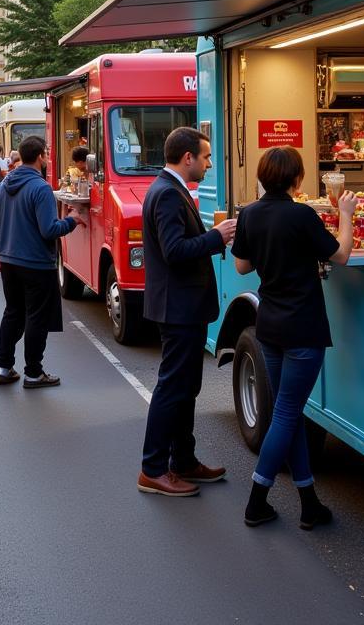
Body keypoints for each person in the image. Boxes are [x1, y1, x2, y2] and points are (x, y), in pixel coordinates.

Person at [232, 146, 355, 529]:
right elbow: (342, 255)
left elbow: (241, 266)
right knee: (286, 413)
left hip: (269, 325)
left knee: (292, 412)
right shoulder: (302, 215)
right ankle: (256, 499)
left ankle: (309, 503)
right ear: (296, 180)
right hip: (303, 327)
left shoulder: (249, 214)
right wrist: (346, 216)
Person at [138, 126, 236, 498]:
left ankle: (183, 459)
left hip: (183, 306)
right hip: (177, 307)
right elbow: (174, 250)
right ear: (188, 158)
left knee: (186, 387)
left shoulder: (171, 189)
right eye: (207, 157)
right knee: (173, 388)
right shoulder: (166, 194)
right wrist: (216, 237)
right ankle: (153, 469)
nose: (209, 164)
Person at [0, 136, 85, 388]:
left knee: (13, 313)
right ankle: (33, 371)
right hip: (36, 262)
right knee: (36, 318)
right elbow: (49, 230)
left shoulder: (3, 184)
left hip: (9, 260)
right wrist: (73, 219)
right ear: (41, 156)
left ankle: (4, 366)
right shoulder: (40, 188)